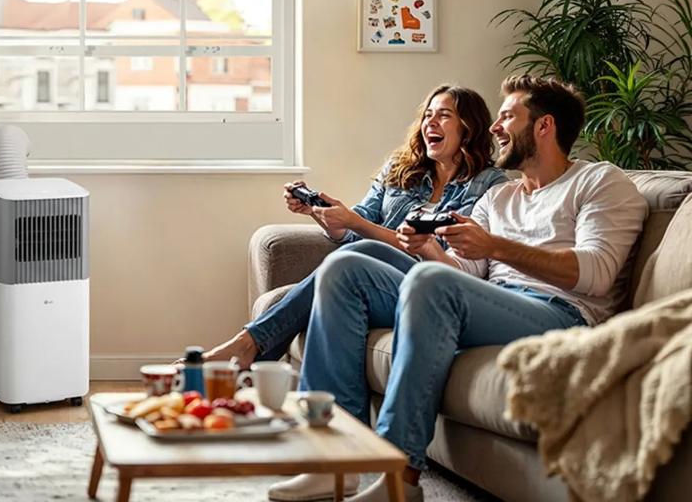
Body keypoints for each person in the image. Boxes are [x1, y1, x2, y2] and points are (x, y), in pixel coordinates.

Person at [272, 75, 648, 502]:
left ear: (544, 126)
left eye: (507, 116)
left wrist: (494, 247)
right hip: (492, 305)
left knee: (430, 280)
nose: (494, 127)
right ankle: (332, 461)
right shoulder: (499, 198)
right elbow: (464, 276)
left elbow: (597, 272)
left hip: (560, 314)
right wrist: (431, 248)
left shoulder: (600, 181)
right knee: (345, 268)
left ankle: (398, 478)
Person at [201, 85, 507, 378]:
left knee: (360, 254)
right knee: (338, 265)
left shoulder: (489, 185)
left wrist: (355, 224)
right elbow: (358, 226)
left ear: (468, 126)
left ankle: (246, 346)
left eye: (443, 115)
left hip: (424, 281)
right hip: (369, 271)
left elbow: (448, 254)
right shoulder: (401, 169)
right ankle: (257, 362)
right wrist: (326, 217)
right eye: (427, 115)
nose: (430, 122)